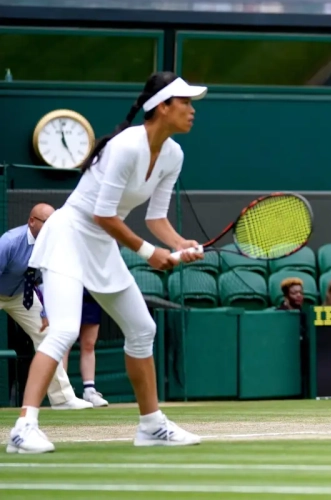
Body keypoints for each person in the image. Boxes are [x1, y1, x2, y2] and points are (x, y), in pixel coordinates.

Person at [7, 71, 207, 454]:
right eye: (185, 102)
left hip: (101, 244)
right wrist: (149, 252)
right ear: (162, 107)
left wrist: (182, 244)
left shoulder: (173, 155)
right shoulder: (126, 146)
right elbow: (102, 214)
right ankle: (23, 427)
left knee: (142, 328)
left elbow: (156, 219)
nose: (192, 110)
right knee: (64, 329)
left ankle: (151, 425)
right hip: (69, 235)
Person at [0, 205, 93, 410]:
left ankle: (62, 399)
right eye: (46, 222)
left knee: (48, 336)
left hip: (21, 294)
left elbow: (46, 279)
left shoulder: (53, 244)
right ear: (32, 221)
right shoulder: (9, 242)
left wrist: (44, 311)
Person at [40, 286, 109, 407]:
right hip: (67, 292)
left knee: (89, 344)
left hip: (91, 292)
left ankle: (90, 391)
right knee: (65, 344)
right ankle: (64, 393)